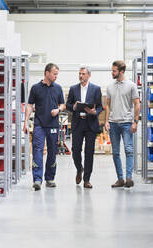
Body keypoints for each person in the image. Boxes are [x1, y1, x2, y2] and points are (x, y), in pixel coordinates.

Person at [23, 63, 66, 191]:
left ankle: (50, 178)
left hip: (53, 125)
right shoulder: (35, 88)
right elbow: (30, 105)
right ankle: (37, 180)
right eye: (54, 74)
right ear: (47, 73)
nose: (56, 76)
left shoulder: (58, 88)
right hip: (39, 125)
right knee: (37, 150)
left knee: (52, 151)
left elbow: (63, 105)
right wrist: (25, 122)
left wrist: (58, 110)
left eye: (57, 74)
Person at [105, 60, 140, 188]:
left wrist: (135, 121)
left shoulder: (131, 86)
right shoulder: (109, 87)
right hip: (113, 123)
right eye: (112, 70)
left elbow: (137, 104)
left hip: (127, 123)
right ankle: (120, 179)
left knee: (128, 150)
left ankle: (128, 178)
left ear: (121, 71)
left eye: (114, 71)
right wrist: (106, 121)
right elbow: (107, 105)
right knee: (115, 152)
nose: (112, 73)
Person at [66, 67, 103, 189]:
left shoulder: (96, 89)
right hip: (77, 123)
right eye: (79, 74)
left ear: (89, 75)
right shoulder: (73, 89)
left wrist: (94, 112)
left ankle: (87, 179)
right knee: (75, 149)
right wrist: (74, 107)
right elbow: (68, 105)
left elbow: (100, 107)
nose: (81, 76)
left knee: (89, 152)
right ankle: (79, 168)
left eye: (83, 74)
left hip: (90, 123)